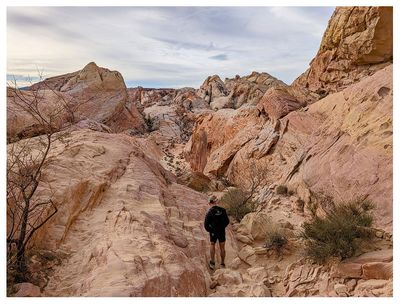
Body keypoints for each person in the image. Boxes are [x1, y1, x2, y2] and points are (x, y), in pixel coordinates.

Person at [204, 195, 229, 270]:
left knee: (212, 244)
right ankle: (222, 264)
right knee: (222, 247)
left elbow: (206, 225)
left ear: (210, 203)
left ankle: (212, 262)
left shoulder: (209, 212)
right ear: (216, 202)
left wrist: (211, 230)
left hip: (213, 232)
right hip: (221, 231)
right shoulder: (223, 210)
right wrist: (222, 227)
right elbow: (227, 221)